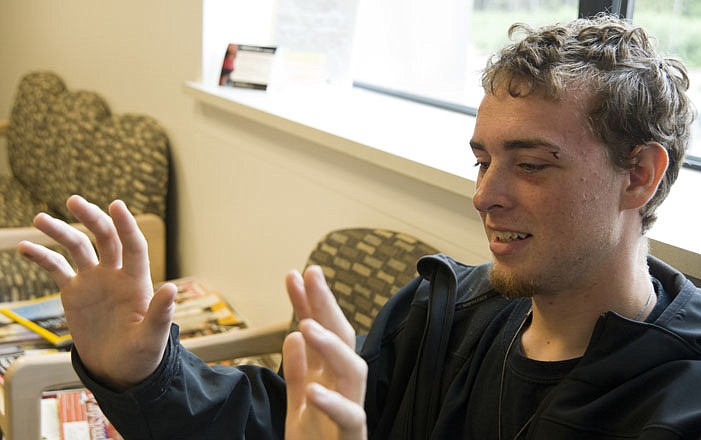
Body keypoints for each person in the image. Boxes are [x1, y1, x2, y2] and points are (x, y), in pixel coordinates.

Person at [18, 14, 701, 439]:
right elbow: (292, 421)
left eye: (531, 164)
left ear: (638, 174)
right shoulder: (440, 314)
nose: (483, 196)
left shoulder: (677, 403)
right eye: (481, 160)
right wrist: (142, 371)